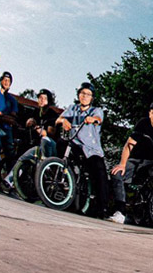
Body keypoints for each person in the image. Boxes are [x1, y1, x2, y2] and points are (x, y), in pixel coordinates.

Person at [56, 82, 111, 219]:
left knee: (99, 172)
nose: (85, 96)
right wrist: (63, 121)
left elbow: (99, 119)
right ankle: (61, 177)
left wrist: (92, 120)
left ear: (91, 98)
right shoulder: (72, 108)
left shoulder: (95, 110)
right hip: (75, 145)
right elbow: (58, 119)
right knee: (60, 144)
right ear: (78, 95)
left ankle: (102, 207)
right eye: (82, 93)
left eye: (88, 94)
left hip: (91, 150)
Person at [3, 89, 59, 190]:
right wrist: (29, 122)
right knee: (24, 157)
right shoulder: (36, 112)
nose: (41, 100)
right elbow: (27, 124)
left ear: (49, 101)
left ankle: (48, 171)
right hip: (37, 146)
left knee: (44, 140)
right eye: (40, 98)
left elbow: (50, 133)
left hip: (50, 147)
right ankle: (9, 181)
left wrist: (42, 130)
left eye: (44, 98)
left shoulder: (52, 114)